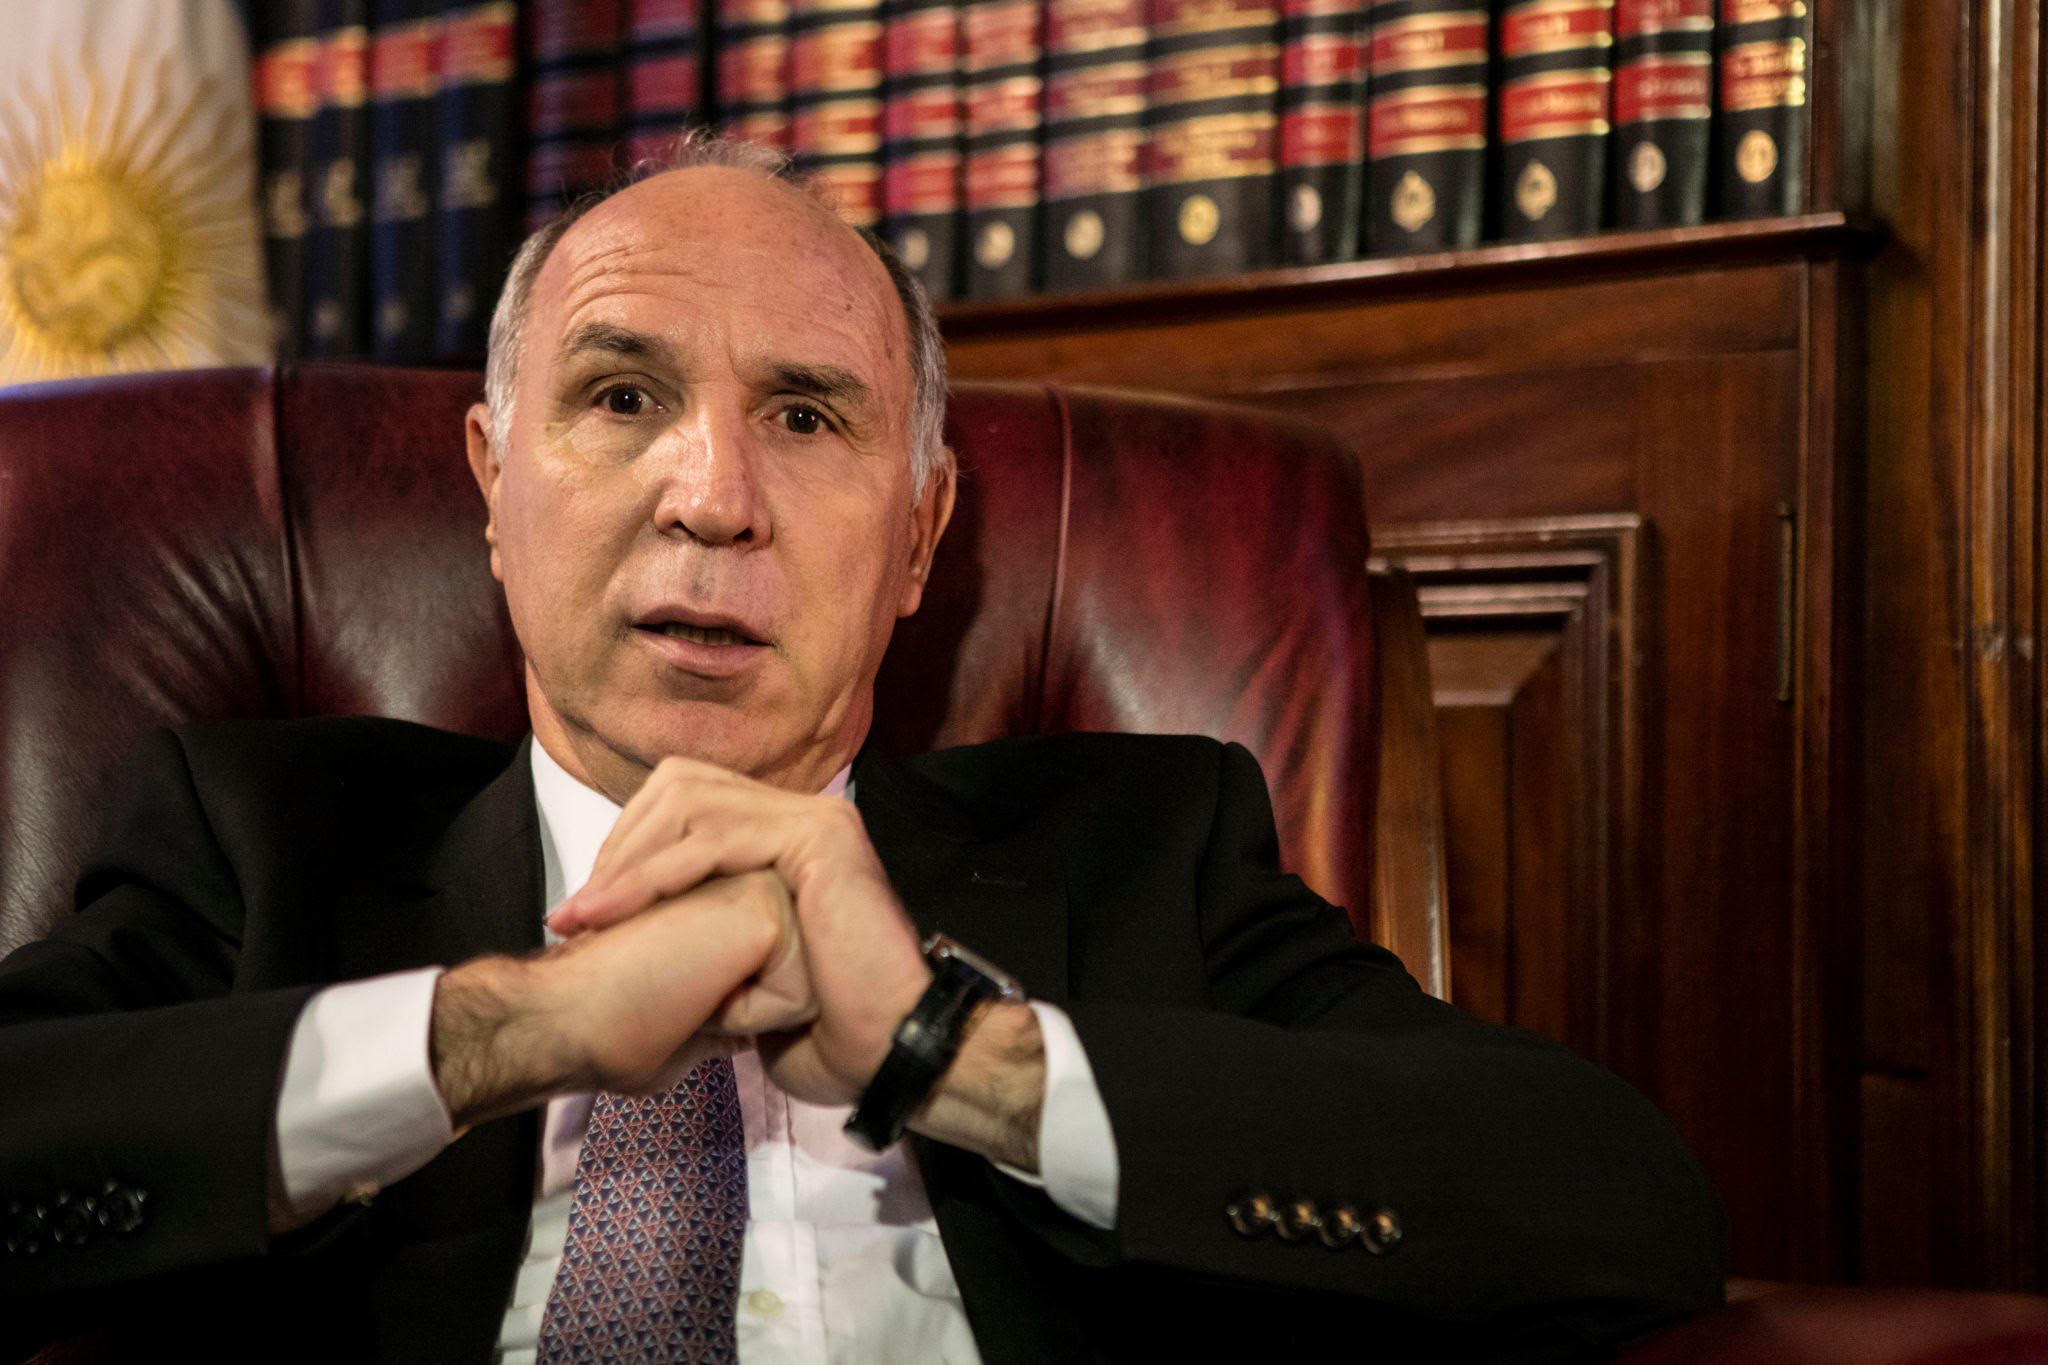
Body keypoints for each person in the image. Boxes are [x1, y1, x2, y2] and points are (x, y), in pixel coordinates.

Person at [0, 135, 1723, 1363]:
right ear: (493, 491)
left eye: (808, 415)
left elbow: (1616, 1204)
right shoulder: (267, 838)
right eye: (621, 397)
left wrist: (951, 1053)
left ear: (918, 539)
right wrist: (502, 1028)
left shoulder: (1143, 849)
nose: (714, 497)